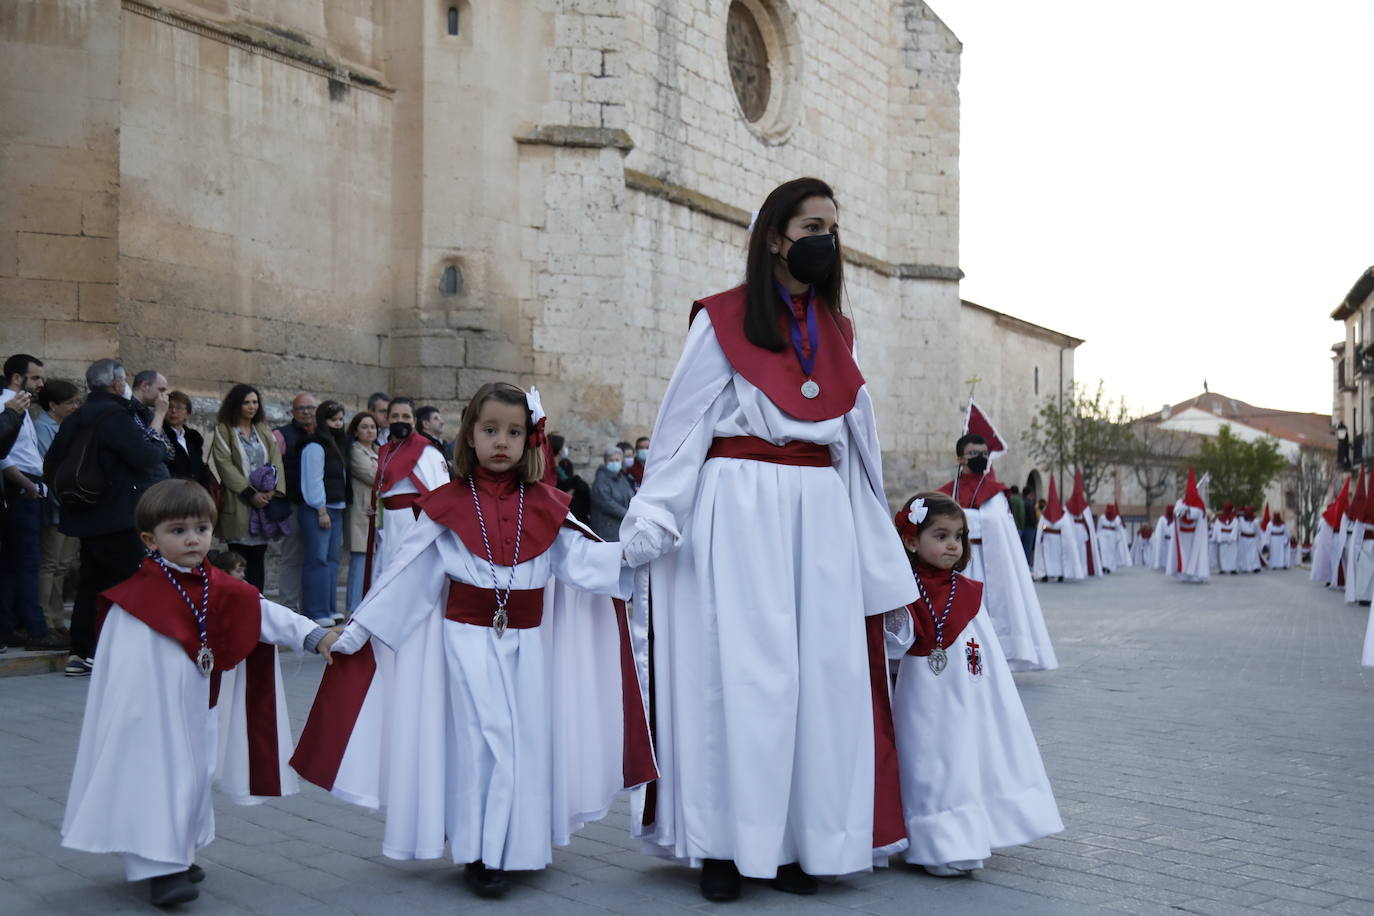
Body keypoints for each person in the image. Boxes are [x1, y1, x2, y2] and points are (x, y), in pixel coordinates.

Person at [617, 178, 915, 901]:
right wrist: (652, 519)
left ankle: (796, 845)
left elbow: (857, 445)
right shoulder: (720, 321)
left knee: (819, 680)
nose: (826, 240)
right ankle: (724, 847)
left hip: (820, 517)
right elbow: (682, 427)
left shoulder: (838, 333)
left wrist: (876, 545)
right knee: (741, 680)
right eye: (814, 225)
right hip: (737, 510)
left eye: (834, 228)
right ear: (777, 237)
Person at [291, 383, 652, 898]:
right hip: (465, 643)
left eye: (512, 431)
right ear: (469, 436)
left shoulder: (547, 505)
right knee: (482, 742)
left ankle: (518, 845)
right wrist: (355, 632)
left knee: (524, 741)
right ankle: (481, 851)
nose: (500, 441)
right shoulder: (447, 506)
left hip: (530, 650)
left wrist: (634, 553)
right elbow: (405, 578)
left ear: (529, 438)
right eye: (489, 431)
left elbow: (582, 563)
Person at [61, 479, 338, 907]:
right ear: (150, 540)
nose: (193, 539)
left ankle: (178, 850)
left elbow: (263, 612)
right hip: (148, 715)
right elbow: (125, 669)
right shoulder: (134, 600)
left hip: (198, 707)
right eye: (178, 530)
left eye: (202, 528)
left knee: (193, 777)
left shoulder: (218, 586)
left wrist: (314, 635)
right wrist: (134, 712)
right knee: (155, 775)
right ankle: (159, 867)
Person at [889, 492, 1062, 877]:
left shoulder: (967, 591)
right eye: (941, 535)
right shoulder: (899, 585)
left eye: (959, 536)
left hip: (964, 695)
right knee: (923, 762)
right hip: (917, 694)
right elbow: (890, 643)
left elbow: (983, 649)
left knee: (959, 759)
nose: (953, 545)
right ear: (911, 539)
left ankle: (959, 839)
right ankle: (926, 839)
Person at [44, 359, 170, 676]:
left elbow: (51, 464)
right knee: (129, 583)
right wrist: (158, 419)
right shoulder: (116, 416)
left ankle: (82, 653)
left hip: (86, 516)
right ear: (116, 384)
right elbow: (147, 457)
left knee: (92, 584)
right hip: (118, 515)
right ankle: (125, 655)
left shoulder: (77, 418)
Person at [937, 433, 1056, 671]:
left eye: (984, 454)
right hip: (956, 562)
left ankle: (996, 656)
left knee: (990, 609)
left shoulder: (996, 492)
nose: (980, 458)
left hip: (988, 561)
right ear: (961, 458)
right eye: (974, 454)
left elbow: (1002, 532)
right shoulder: (946, 493)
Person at [0, 353, 63, 651]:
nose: (41, 384)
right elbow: (5, 456)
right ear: (17, 378)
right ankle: (36, 630)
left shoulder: (21, 407)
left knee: (16, 562)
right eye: (35, 377)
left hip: (30, 485)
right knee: (27, 562)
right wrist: (28, 485)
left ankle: (11, 625)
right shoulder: (5, 405)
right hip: (19, 488)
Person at [364, 396, 449, 587]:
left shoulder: (426, 450)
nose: (400, 420)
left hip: (413, 525)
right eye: (395, 416)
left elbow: (440, 492)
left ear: (414, 421)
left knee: (408, 577)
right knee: (385, 576)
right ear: (387, 419)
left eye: (405, 416)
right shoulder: (385, 449)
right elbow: (383, 488)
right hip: (388, 523)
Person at [209, 384, 286, 592]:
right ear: (236, 404)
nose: (252, 406)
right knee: (238, 558)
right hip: (240, 502)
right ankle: (237, 602)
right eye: (246, 402)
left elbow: (275, 458)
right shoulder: (224, 430)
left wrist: (272, 490)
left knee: (259, 558)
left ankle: (258, 603)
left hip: (263, 505)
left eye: (254, 402)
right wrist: (249, 493)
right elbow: (224, 465)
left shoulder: (262, 429)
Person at [34, 379, 82, 641]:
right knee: (50, 563)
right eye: (70, 402)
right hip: (57, 504)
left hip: (71, 505)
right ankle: (45, 619)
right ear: (53, 405)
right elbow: (46, 469)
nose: (75, 406)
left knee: (63, 565)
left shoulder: (67, 427)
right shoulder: (44, 428)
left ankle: (56, 618)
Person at [298, 401, 348, 625]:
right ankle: (315, 610)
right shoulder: (315, 445)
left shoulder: (338, 444)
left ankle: (329, 607)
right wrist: (321, 509)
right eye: (333, 420)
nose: (338, 424)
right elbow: (313, 480)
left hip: (337, 506)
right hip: (319, 510)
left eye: (340, 419)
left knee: (332, 559)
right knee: (317, 559)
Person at [344, 411, 380, 612]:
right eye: (364, 427)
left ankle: (366, 606)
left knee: (372, 563)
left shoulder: (378, 450)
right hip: (361, 512)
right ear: (356, 431)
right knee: (359, 561)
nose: (369, 431)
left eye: (373, 427)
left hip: (374, 513)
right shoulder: (356, 451)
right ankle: (353, 607)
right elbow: (374, 476)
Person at [1032, 476, 1083, 582]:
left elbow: (1042, 528)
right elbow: (1066, 530)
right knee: (1056, 557)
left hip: (1049, 540)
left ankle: (1048, 574)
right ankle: (1057, 574)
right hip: (1057, 540)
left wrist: (1047, 529)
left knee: (1048, 557)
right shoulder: (1063, 516)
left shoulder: (1044, 516)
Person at [1167, 468, 1209, 583]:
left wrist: (1188, 509)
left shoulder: (1199, 504)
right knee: (1184, 555)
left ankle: (1195, 574)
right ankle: (1183, 574)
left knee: (1194, 555)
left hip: (1194, 535)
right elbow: (1177, 513)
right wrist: (1184, 508)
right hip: (1183, 535)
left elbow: (1197, 514)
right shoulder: (1180, 502)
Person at [589, 443, 634, 541]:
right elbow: (607, 503)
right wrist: (628, 514)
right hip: (606, 530)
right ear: (606, 462)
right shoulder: (601, 480)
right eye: (611, 460)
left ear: (621, 461)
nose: (614, 463)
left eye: (617, 460)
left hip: (620, 529)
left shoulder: (621, 478)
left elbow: (630, 495)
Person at [163, 390, 208, 485]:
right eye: (169, 407)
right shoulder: (161, 435)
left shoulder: (193, 439)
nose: (173, 411)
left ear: (187, 413)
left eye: (178, 407)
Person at [1064, 468, 1102, 577]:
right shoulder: (1084, 508)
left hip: (1075, 531)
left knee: (1079, 550)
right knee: (1080, 550)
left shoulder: (1069, 507)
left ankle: (1080, 570)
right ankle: (1078, 570)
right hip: (1079, 531)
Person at [548, 433, 592, 524]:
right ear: (560, 450)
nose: (566, 449)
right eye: (564, 446)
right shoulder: (549, 469)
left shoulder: (563, 465)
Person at [1311, 478, 1348, 586]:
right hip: (1336, 537)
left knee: (1336, 559)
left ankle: (1335, 580)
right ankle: (1333, 579)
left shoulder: (1341, 507)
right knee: (1334, 559)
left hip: (1339, 537)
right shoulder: (1337, 507)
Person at [1095, 504, 1131, 571]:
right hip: (1106, 534)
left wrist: (1119, 537)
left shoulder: (1114, 518)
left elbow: (1118, 528)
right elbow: (1099, 526)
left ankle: (1108, 566)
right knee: (1105, 550)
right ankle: (1105, 565)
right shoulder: (1106, 517)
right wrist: (1097, 535)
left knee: (1109, 551)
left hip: (1108, 534)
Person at [1213, 503, 1239, 574]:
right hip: (1231, 539)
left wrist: (1220, 538)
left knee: (1224, 554)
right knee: (1231, 554)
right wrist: (1231, 538)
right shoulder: (1235, 519)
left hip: (1223, 536)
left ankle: (1225, 568)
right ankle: (1231, 568)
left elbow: (1217, 529)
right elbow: (1235, 529)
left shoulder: (1219, 518)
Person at [1236, 505, 1263, 573]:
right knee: (1243, 553)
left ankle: (1255, 566)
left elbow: (1258, 530)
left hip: (1252, 538)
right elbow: (1238, 527)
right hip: (1243, 538)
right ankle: (1244, 567)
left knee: (1253, 553)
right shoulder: (1241, 519)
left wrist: (1260, 537)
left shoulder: (1256, 520)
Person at [1150, 505, 1176, 571]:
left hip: (1173, 540)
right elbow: (1159, 531)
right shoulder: (1162, 519)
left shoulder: (1176, 518)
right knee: (1164, 554)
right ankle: (1164, 565)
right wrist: (1159, 539)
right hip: (1164, 540)